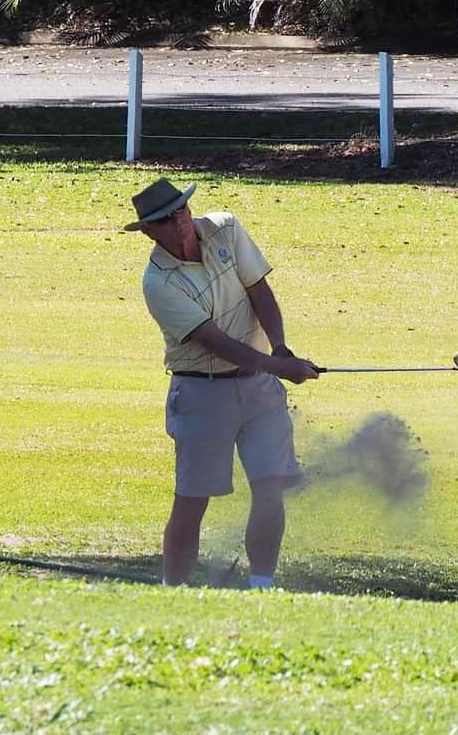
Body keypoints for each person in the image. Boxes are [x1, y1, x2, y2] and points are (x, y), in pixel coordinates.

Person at [125, 177, 319, 589]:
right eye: (164, 219)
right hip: (201, 392)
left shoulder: (225, 228)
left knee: (269, 487)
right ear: (148, 231)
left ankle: (261, 587)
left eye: (180, 210)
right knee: (193, 499)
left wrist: (281, 348)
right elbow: (216, 343)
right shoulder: (158, 282)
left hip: (260, 386)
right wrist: (280, 367)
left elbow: (260, 291)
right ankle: (172, 591)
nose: (178, 222)